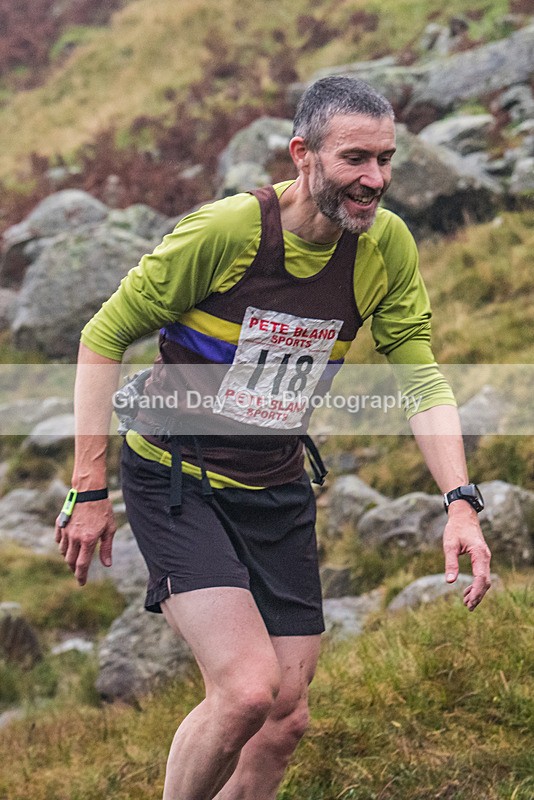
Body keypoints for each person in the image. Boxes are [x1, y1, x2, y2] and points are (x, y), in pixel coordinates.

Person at [55, 76, 492, 800]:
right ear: (303, 155)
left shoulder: (384, 249)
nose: (374, 180)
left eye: (386, 159)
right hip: (178, 478)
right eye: (356, 159)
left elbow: (422, 380)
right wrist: (88, 485)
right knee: (248, 689)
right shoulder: (227, 232)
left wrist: (459, 501)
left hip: (276, 484)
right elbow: (103, 335)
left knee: (285, 720)